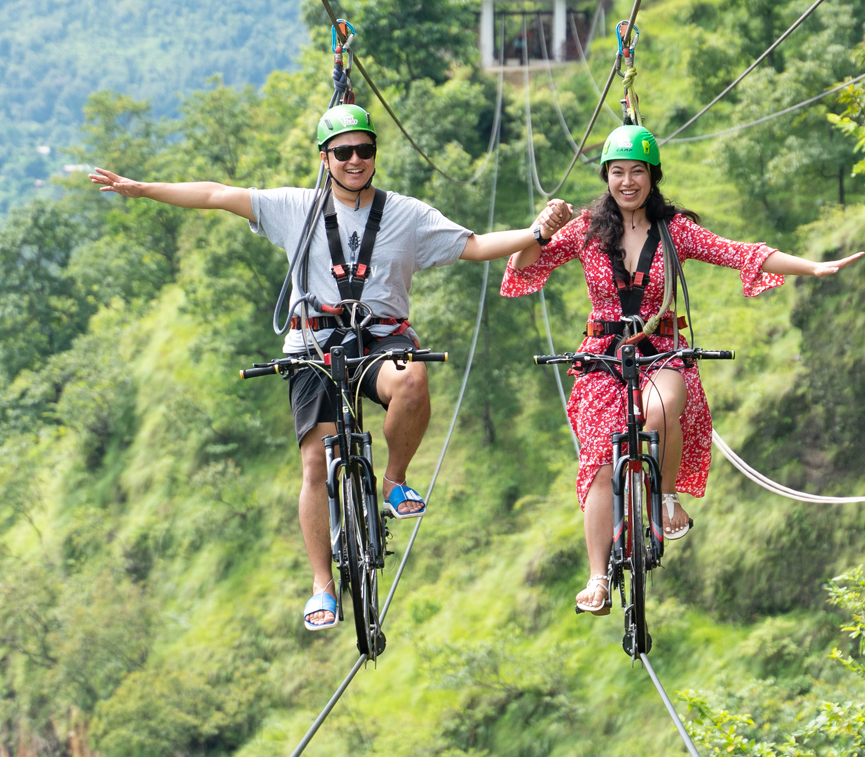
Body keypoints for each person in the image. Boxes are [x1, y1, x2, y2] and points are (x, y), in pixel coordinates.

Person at [89, 103, 574, 630]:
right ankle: (322, 584)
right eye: (342, 152)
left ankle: (394, 482)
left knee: (412, 378)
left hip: (379, 338)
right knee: (316, 466)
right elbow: (215, 195)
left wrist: (536, 234)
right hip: (313, 343)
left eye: (364, 149)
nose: (354, 160)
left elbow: (475, 246)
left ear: (374, 154)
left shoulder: (406, 214)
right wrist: (143, 189)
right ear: (325, 158)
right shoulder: (294, 208)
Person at [500, 125, 863, 615]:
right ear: (606, 177)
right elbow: (524, 266)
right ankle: (597, 578)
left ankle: (665, 496)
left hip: (661, 349)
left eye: (637, 172)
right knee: (601, 465)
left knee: (664, 406)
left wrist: (813, 267)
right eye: (617, 172)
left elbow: (741, 253)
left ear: (653, 176)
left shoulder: (676, 232)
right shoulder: (586, 229)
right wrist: (540, 230)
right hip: (603, 356)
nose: (627, 182)